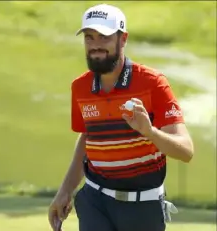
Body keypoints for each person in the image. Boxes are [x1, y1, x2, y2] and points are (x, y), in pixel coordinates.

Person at [48, 3, 194, 231]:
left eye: (103, 37)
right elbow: (88, 138)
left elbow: (185, 151)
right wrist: (65, 191)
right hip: (94, 200)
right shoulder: (80, 87)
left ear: (123, 39)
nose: (95, 46)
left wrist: (150, 132)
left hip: (142, 206)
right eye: (89, 38)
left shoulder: (153, 83)